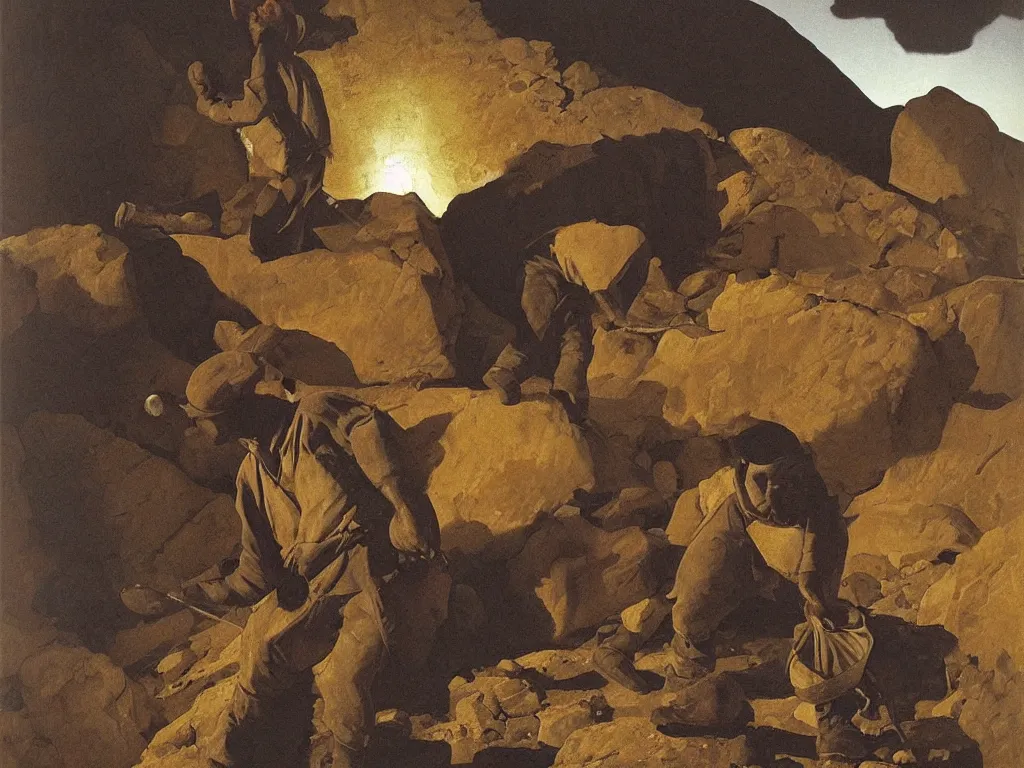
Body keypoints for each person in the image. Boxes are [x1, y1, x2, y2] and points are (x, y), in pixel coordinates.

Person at [177, 350, 440, 768]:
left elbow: (371, 432)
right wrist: (195, 593)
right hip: (318, 591)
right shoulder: (252, 476)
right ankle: (235, 757)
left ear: (237, 410)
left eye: (201, 416)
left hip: (377, 573)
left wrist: (401, 505)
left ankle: (354, 759)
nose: (195, 425)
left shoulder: (316, 414)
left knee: (342, 677)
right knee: (259, 650)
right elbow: (255, 574)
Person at [591, 421, 870, 762]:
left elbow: (819, 575)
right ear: (741, 473)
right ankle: (686, 687)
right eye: (761, 481)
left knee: (824, 619)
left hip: (790, 601)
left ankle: (834, 719)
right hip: (743, 606)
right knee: (690, 613)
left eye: (781, 479)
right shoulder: (723, 530)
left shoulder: (815, 504)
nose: (772, 493)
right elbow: (692, 599)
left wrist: (814, 597)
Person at [482, 220, 648, 422]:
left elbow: (605, 289)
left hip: (571, 283)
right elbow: (600, 289)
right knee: (537, 324)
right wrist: (616, 318)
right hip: (541, 266)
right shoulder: (602, 244)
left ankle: (568, 394)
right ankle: (503, 371)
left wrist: (614, 317)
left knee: (578, 337)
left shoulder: (616, 245)